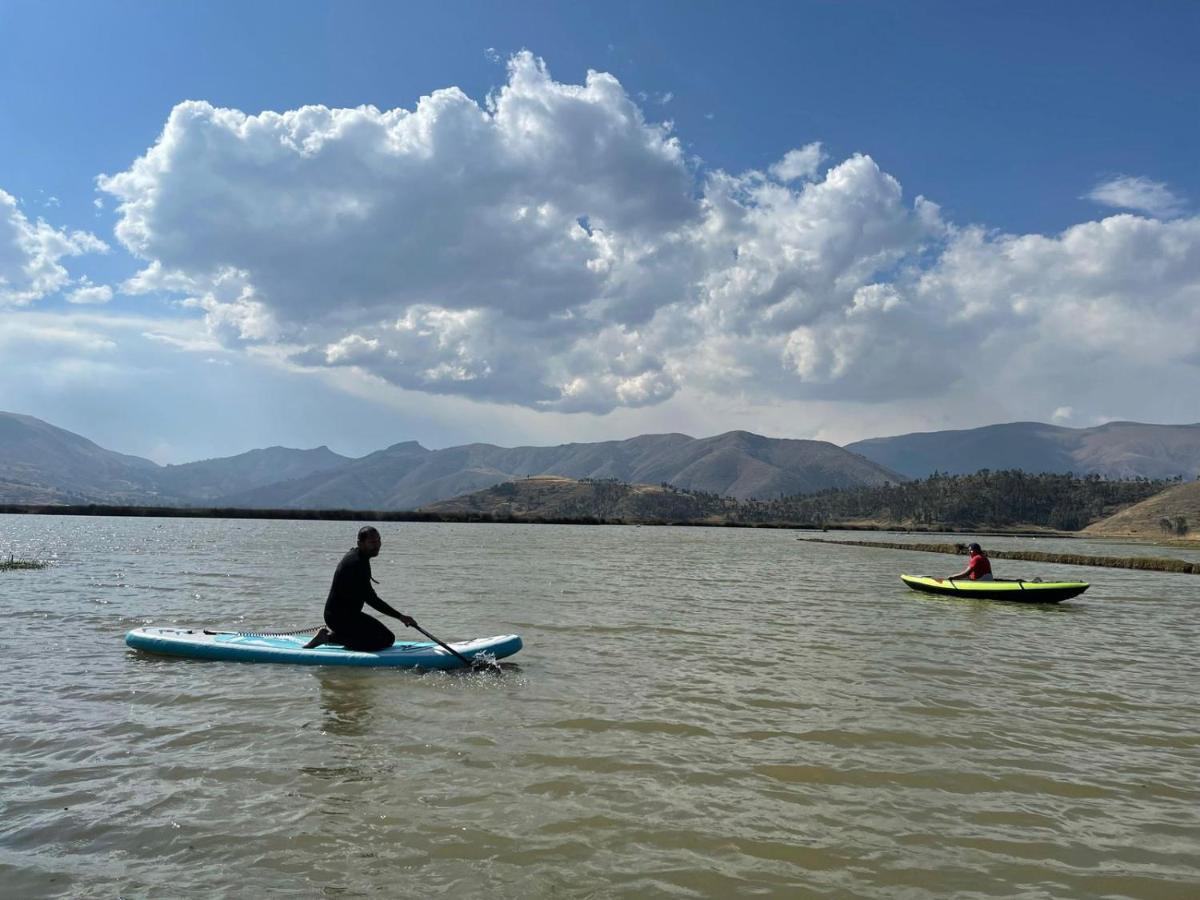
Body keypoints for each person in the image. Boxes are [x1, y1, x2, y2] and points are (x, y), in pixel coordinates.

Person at [304, 526, 417, 651]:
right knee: (385, 639)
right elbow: (371, 599)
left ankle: (330, 636)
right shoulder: (355, 563)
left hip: (350, 615)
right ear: (360, 543)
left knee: (387, 637)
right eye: (372, 542)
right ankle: (329, 638)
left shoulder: (360, 556)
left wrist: (400, 617)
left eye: (378, 540)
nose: (377, 545)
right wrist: (401, 617)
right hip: (338, 617)